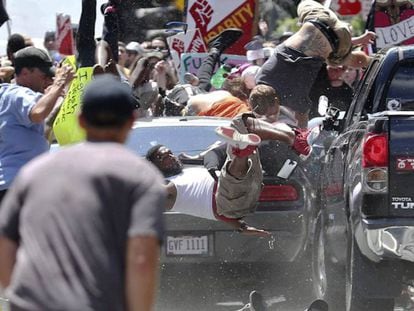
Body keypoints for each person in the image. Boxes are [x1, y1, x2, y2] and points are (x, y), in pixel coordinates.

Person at [0, 75, 166, 311]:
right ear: (131, 121)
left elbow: (5, 243)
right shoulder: (140, 177)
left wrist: (20, 297)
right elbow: (141, 258)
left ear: (80, 120)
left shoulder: (34, 172)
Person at [256, 0, 376, 128]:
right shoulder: (262, 76)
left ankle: (375, 61)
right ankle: (368, 52)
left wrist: (300, 139)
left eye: (270, 114)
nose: (272, 117)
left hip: (340, 39)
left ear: (274, 103)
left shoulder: (293, 97)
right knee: (304, 4)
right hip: (318, 17)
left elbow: (302, 125)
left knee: (338, 60)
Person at [0, 46, 75, 203]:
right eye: (43, 75)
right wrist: (59, 83)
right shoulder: (18, 94)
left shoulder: (6, 95)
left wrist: (59, 92)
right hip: (19, 184)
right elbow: (38, 113)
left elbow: (45, 118)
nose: (47, 80)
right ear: (26, 73)